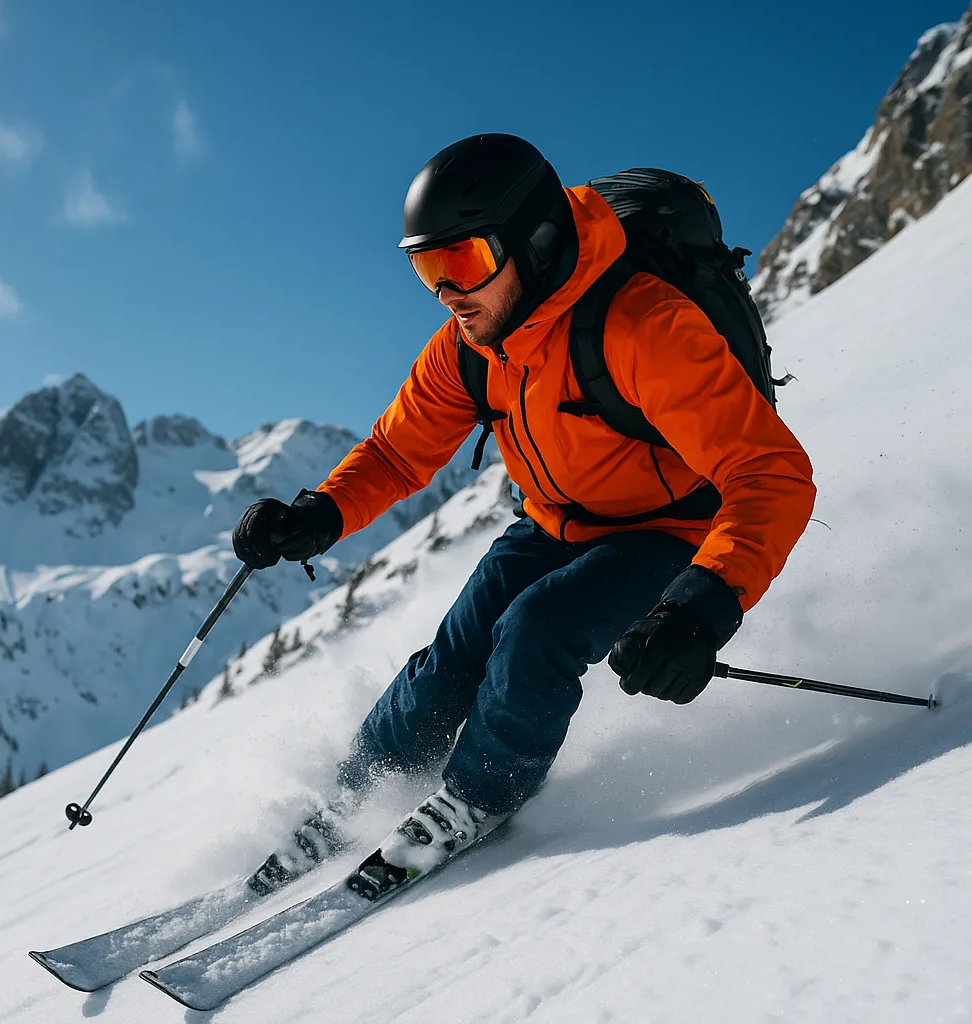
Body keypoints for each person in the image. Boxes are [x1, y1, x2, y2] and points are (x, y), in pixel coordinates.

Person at [233, 134, 816, 892]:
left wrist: (702, 608)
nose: (446, 291)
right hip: (554, 521)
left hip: (671, 528)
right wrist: (317, 514)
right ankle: (358, 793)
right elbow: (398, 452)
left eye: (463, 262)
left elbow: (769, 470)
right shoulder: (472, 345)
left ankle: (479, 796)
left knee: (535, 631)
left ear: (535, 243)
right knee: (452, 658)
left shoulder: (642, 325)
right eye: (426, 268)